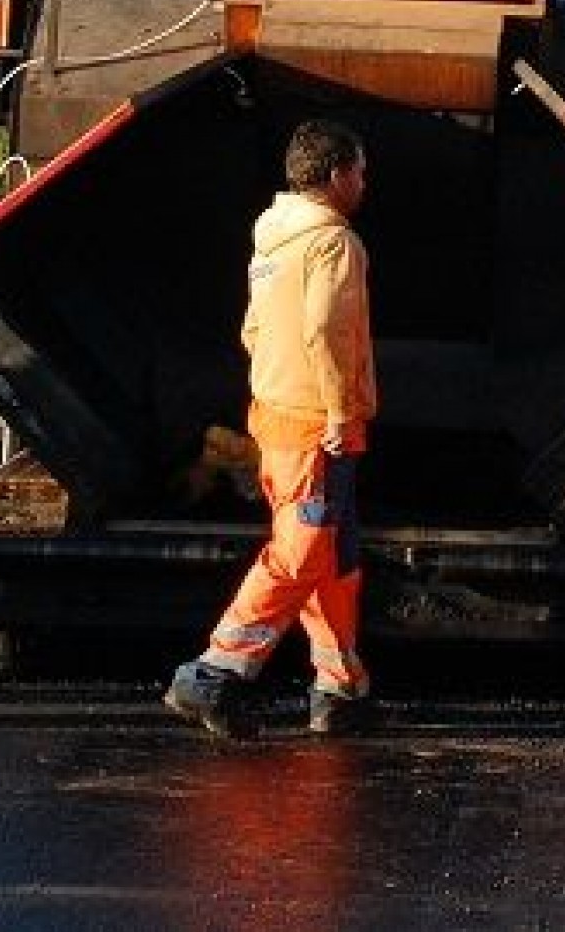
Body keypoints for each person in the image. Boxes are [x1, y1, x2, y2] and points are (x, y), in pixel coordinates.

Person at [166, 118, 377, 738]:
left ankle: (339, 687)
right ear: (336, 174)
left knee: (333, 557)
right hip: (317, 424)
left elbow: (253, 330)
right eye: (360, 171)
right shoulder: (333, 243)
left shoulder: (273, 240)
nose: (364, 182)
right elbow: (328, 329)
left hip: (280, 416)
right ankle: (211, 675)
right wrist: (340, 409)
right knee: (302, 552)